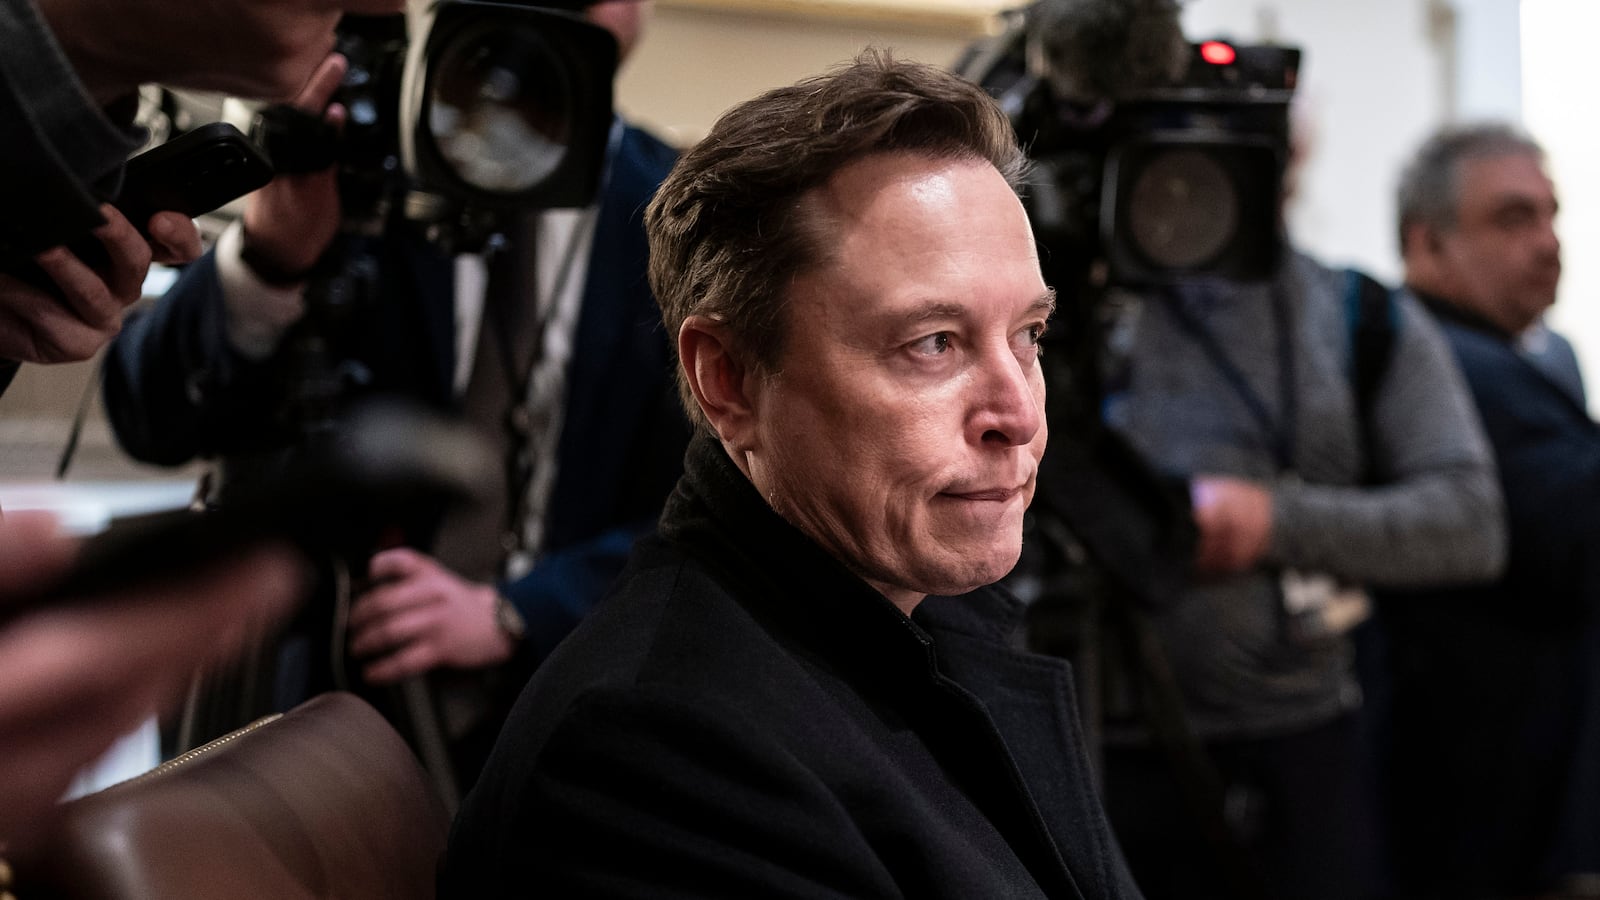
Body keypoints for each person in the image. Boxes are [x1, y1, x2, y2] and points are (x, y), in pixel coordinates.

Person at [439, 51, 1143, 899]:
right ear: (728, 379)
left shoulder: (921, 613)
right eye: (933, 344)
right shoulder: (657, 757)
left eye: (1028, 334)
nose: (1019, 414)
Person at [101, 0, 688, 793]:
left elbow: (710, 505)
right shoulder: (356, 163)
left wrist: (523, 610)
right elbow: (149, 416)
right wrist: (271, 260)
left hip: (574, 722)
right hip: (309, 721)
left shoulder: (686, 215)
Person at [1, 0, 402, 846]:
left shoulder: (646, 189)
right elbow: (146, 410)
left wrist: (515, 612)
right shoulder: (349, 131)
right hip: (260, 712)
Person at [1085, 176, 1506, 897]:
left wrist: (1273, 524)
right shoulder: (1062, 310)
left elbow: (1470, 523)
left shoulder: (1355, 313)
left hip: (1304, 754)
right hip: (1093, 748)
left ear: (1286, 160)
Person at [1392, 122, 1599, 898]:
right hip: (1479, 806)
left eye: (1551, 215)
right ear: (1428, 242)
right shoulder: (1444, 364)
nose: (1549, 243)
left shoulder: (1537, 354)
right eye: (1513, 219)